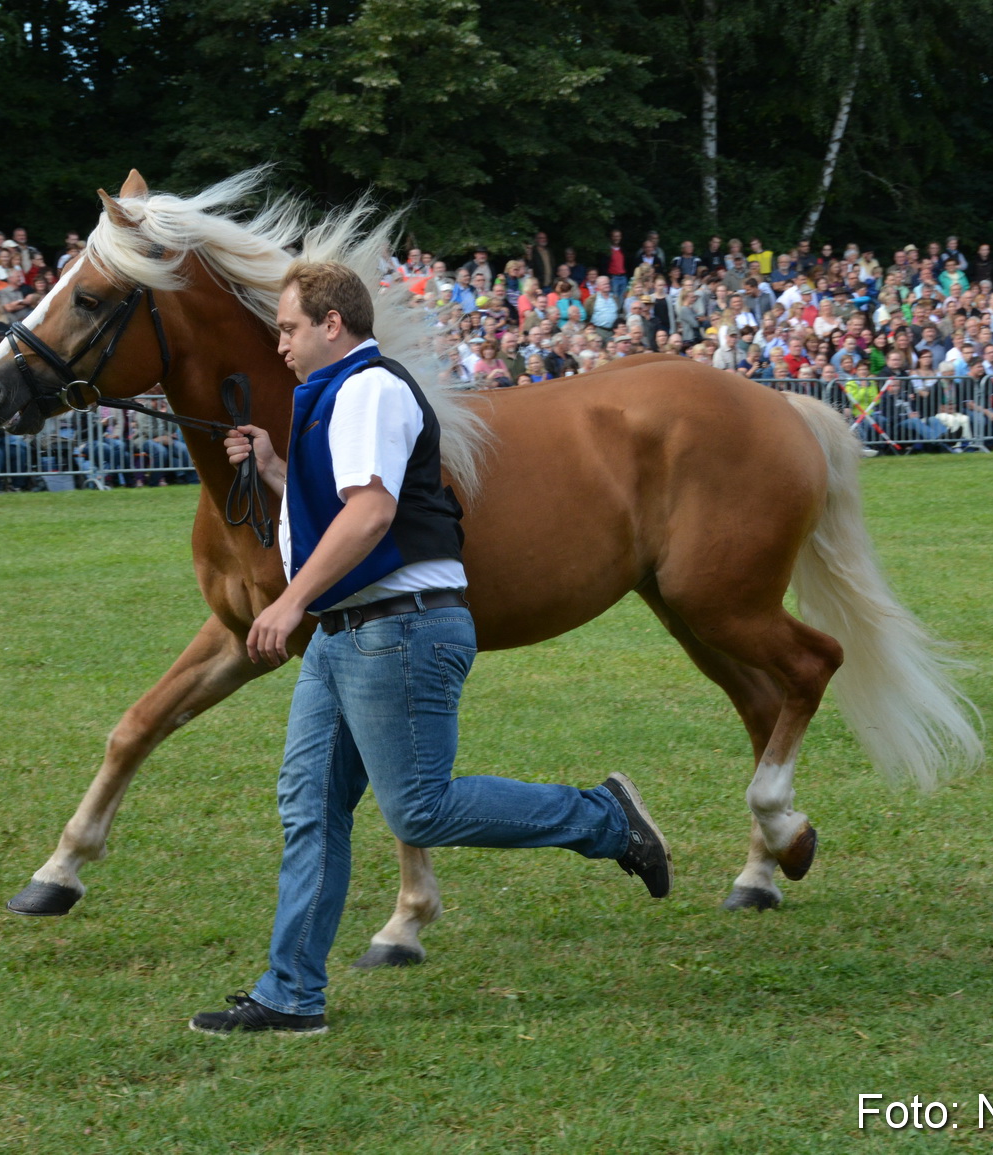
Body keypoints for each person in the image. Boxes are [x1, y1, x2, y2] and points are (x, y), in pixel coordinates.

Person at [195, 261, 670, 1036]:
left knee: (420, 806)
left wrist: (289, 600)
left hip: (399, 630)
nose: (279, 343)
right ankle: (291, 994)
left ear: (332, 325)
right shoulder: (334, 396)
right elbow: (341, 513)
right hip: (351, 634)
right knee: (310, 805)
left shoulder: (369, 390)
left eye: (288, 328)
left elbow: (372, 514)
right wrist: (278, 470)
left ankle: (606, 818)